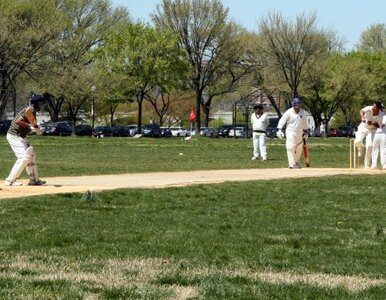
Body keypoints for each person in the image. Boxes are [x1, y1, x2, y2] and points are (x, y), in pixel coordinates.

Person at [5, 94, 47, 186]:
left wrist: (38, 129)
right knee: (24, 158)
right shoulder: (27, 111)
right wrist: (30, 126)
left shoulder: (32, 112)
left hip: (21, 137)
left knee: (31, 155)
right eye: (40, 104)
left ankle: (34, 180)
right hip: (14, 136)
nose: (41, 106)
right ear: (35, 103)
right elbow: (18, 121)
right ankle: (10, 180)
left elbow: (33, 124)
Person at [276, 97, 308, 169]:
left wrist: (306, 132)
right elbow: (282, 120)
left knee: (299, 148)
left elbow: (305, 122)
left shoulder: (302, 112)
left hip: (300, 132)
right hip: (290, 131)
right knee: (290, 146)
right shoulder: (289, 112)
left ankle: (296, 162)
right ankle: (291, 164)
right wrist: (279, 130)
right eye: (296, 104)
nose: (298, 106)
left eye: (299, 104)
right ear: (293, 104)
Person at [354, 101, 383, 168]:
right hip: (363, 127)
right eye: (377, 108)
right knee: (357, 141)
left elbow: (379, 126)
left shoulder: (380, 114)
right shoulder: (369, 108)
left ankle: (367, 164)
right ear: (374, 107)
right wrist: (362, 117)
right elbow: (361, 111)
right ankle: (360, 148)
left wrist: (372, 123)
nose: (378, 110)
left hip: (372, 130)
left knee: (370, 146)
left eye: (379, 109)